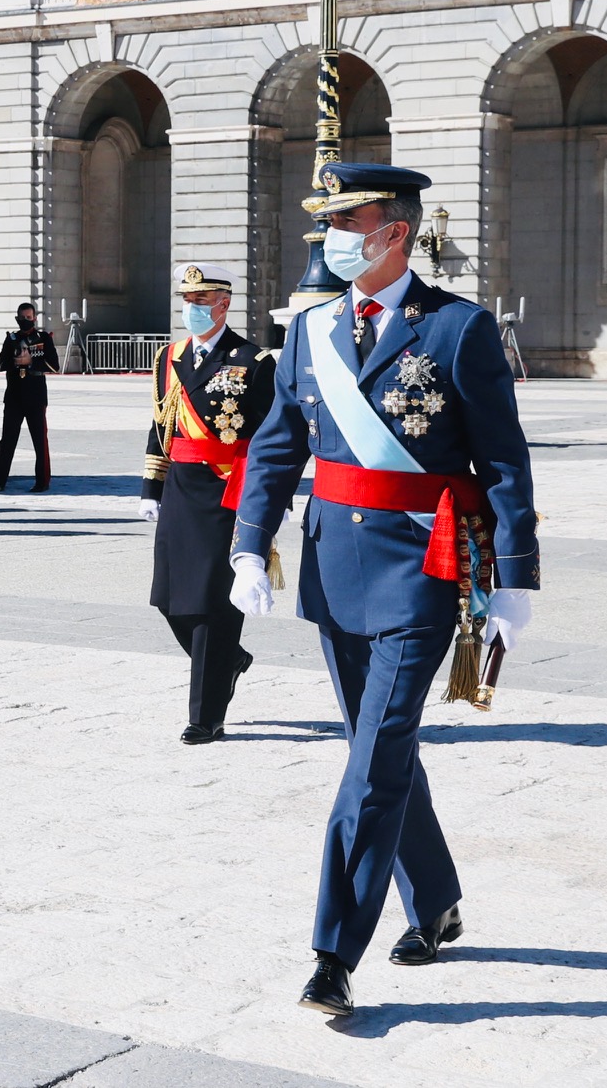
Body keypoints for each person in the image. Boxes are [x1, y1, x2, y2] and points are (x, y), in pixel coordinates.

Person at [229, 162, 538, 1018]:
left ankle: (333, 952)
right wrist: (250, 545)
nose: (328, 235)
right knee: (382, 749)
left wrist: (513, 581)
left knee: (371, 762)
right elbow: (276, 444)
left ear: (393, 232)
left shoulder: (456, 328)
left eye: (345, 219)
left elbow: (504, 462)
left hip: (421, 572)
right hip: (333, 572)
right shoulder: (309, 329)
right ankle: (435, 899)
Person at [137, 264, 277, 745]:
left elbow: (266, 440)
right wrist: (150, 487)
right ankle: (230, 661)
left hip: (226, 491)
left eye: (201, 301)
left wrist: (262, 506)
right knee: (169, 599)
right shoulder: (169, 356)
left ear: (224, 303)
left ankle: (206, 715)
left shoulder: (253, 360)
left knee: (212, 607)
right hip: (180, 486)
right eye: (186, 301)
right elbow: (163, 423)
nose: (191, 309)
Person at [0, 303, 61, 492]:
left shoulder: (43, 338)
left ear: (35, 318)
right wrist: (15, 361)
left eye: (29, 317)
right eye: (22, 318)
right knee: (7, 440)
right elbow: (0, 365)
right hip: (14, 396)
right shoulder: (11, 338)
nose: (25, 321)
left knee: (39, 440)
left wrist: (31, 362)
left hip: (35, 396)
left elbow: (54, 366)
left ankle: (42, 482)